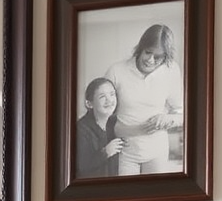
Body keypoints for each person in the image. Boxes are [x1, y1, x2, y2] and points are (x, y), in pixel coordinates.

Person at [105, 24, 183, 176]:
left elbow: (181, 114)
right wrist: (125, 130)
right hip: (125, 151)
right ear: (140, 48)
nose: (151, 60)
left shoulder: (172, 70)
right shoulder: (116, 71)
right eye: (148, 52)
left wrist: (168, 118)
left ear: (166, 57)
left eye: (158, 57)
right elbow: (101, 115)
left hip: (157, 151)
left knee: (155, 196)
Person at [75, 77, 123, 178]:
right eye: (102, 97)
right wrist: (105, 152)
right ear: (89, 104)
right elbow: (82, 166)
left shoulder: (115, 123)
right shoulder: (80, 129)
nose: (109, 100)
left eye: (112, 94)